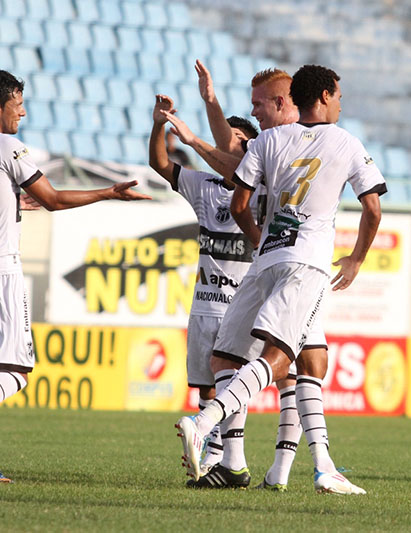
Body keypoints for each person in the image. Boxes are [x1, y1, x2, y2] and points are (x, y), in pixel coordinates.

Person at [0, 67, 151, 482]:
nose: (21, 113)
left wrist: (11, 204)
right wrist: (110, 193)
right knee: (16, 373)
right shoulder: (6, 145)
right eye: (17, 105)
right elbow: (56, 199)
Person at [175, 64, 386, 495]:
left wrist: (262, 241)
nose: (254, 114)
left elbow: (239, 203)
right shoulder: (345, 141)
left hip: (266, 262)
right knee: (279, 360)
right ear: (325, 96)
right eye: (340, 95)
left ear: (287, 100)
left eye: (258, 105)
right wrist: (356, 260)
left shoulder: (268, 141)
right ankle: (206, 423)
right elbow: (373, 208)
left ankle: (306, 466)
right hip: (306, 264)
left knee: (230, 360)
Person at [149, 94, 262, 475]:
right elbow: (160, 164)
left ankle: (219, 456)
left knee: (233, 383)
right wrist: (157, 124)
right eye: (221, 141)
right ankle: (212, 457)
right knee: (206, 389)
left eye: (233, 142)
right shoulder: (205, 186)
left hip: (241, 306)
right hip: (204, 305)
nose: (222, 149)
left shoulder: (262, 192)